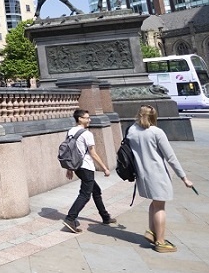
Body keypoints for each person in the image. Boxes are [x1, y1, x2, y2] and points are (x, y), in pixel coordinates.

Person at [127, 105, 193, 253]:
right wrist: (184, 177)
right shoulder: (156, 132)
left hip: (142, 174)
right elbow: (171, 157)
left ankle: (152, 232)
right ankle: (161, 242)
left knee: (154, 202)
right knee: (160, 207)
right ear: (154, 116)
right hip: (157, 174)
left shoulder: (131, 131)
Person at [62, 109, 116, 233]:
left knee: (96, 190)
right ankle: (70, 218)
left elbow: (70, 151)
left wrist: (69, 168)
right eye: (87, 117)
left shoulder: (71, 131)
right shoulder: (87, 134)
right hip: (86, 166)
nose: (89, 120)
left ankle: (105, 216)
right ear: (80, 119)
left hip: (77, 167)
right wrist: (104, 168)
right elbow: (93, 153)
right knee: (85, 195)